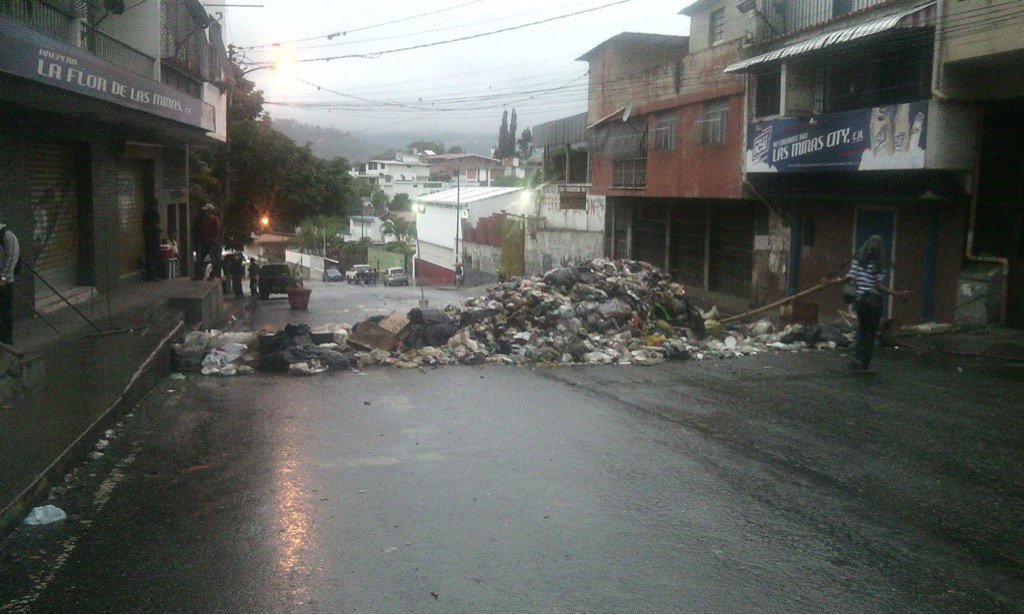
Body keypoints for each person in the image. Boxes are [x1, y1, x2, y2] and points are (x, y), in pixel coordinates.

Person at [838, 235, 908, 373]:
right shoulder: (880, 264)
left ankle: (857, 357)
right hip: (874, 302)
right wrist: (896, 294)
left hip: (861, 302)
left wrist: (832, 281)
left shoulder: (858, 262)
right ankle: (864, 365)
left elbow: (849, 278)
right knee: (870, 333)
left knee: (862, 329)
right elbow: (878, 286)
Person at [0, 224, 20, 346]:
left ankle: (6, 339)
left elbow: (12, 256)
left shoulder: (7, 235)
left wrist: (3, 277)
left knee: (4, 310)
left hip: (4, 282)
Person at [194, 203, 222, 280]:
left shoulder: (214, 220)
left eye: (206, 210)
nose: (205, 212)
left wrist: (213, 239)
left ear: (210, 211)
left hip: (212, 242)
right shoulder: (205, 220)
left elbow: (216, 231)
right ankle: (199, 275)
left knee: (214, 259)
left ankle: (213, 275)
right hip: (205, 241)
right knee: (199, 258)